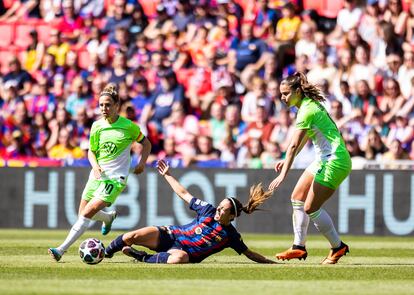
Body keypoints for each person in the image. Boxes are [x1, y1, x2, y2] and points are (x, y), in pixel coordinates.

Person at [48, 83, 152, 262]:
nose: (104, 108)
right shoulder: (96, 126)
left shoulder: (129, 126)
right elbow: (91, 151)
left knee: (87, 212)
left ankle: (61, 249)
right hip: (97, 175)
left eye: (108, 104)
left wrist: (142, 163)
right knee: (82, 212)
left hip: (115, 179)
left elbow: (147, 143)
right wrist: (95, 166)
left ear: (116, 105)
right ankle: (108, 217)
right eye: (101, 105)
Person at [104, 159, 276, 264]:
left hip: (182, 253)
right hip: (169, 235)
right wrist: (167, 174)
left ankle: (141, 257)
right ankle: (105, 252)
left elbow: (249, 254)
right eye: (219, 205)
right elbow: (184, 194)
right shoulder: (208, 210)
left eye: (223, 209)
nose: (218, 209)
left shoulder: (230, 236)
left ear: (231, 216)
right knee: (129, 237)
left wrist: (270, 262)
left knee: (179, 259)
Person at [268, 72, 352, 265]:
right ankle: (298, 247)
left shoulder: (307, 110)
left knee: (310, 207)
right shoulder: (307, 107)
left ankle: (338, 247)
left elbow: (293, 145)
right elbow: (304, 139)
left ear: (298, 91)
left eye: (287, 93)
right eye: (281, 94)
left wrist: (283, 174)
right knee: (297, 197)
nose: (283, 98)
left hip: (334, 160)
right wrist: (286, 159)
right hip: (324, 158)